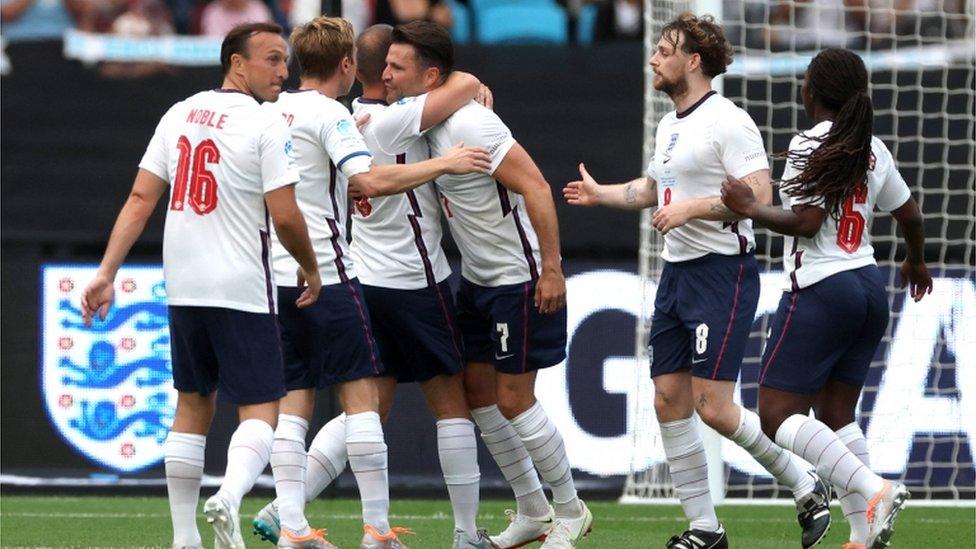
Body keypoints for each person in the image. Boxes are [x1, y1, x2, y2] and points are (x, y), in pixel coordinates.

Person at [562, 12, 831, 549]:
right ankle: (705, 529)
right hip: (677, 277)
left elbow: (759, 197)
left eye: (664, 50)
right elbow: (652, 188)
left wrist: (692, 209)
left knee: (713, 405)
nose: (654, 58)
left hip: (721, 275)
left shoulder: (728, 121)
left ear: (694, 61)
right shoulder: (669, 124)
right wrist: (603, 195)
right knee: (667, 399)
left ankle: (806, 484)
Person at [249, 16, 492, 549]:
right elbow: (456, 89)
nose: (392, 71)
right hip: (398, 278)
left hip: (324, 273)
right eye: (392, 63)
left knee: (339, 403)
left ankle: (285, 510)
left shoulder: (307, 115)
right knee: (442, 404)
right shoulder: (393, 119)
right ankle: (455, 532)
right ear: (357, 67)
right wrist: (460, 123)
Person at [80, 22, 322, 549]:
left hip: (184, 285)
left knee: (192, 405)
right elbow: (284, 216)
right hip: (239, 282)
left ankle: (184, 537)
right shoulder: (266, 123)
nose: (284, 71)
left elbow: (142, 199)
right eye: (273, 59)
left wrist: (105, 273)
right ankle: (230, 497)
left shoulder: (179, 111)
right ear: (238, 63)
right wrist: (311, 265)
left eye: (285, 61)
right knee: (262, 408)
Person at [359, 20, 594, 549]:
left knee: (514, 399)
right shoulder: (419, 123)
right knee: (477, 394)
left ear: (431, 74)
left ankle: (571, 509)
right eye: (387, 65)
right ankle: (532, 508)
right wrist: (466, 80)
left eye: (398, 68)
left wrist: (551, 267)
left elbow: (535, 186)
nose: (387, 76)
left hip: (519, 277)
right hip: (476, 281)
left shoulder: (472, 125)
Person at [720, 47, 930, 549]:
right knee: (836, 416)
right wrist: (916, 261)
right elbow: (911, 217)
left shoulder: (808, 143)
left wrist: (749, 207)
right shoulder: (872, 147)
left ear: (811, 91)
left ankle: (873, 489)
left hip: (822, 288)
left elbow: (807, 223)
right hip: (868, 289)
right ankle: (861, 534)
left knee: (774, 415)